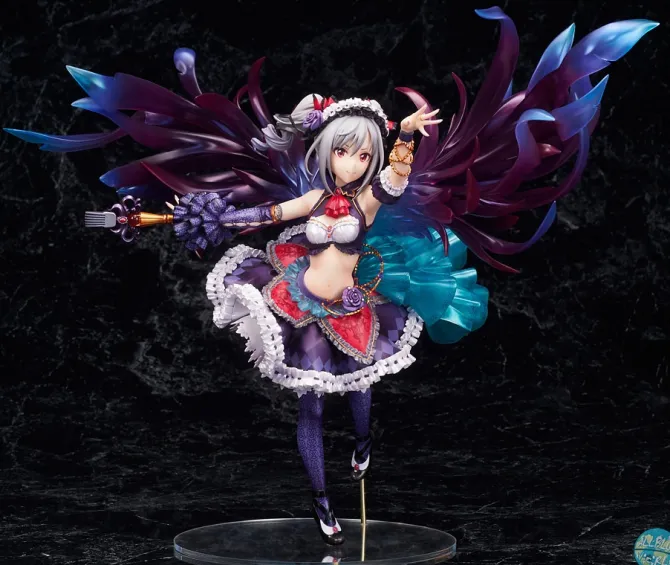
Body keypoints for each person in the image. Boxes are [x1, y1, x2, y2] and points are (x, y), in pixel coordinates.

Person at [4, 6, 657, 546]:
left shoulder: (369, 199)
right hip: (296, 298)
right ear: (325, 152)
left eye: (361, 153)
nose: (351, 161)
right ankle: (322, 505)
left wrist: (405, 136)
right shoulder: (314, 198)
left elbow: (396, 180)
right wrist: (202, 214)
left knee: (360, 394)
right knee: (311, 404)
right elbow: (266, 215)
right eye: (343, 150)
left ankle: (364, 448)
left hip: (350, 301)